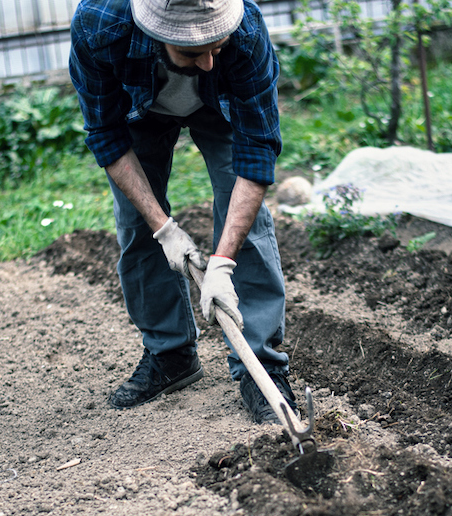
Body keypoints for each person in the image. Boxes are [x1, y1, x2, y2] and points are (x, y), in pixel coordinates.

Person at [68, 0, 296, 423]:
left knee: (246, 220)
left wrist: (222, 264)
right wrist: (165, 229)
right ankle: (170, 357)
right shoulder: (100, 25)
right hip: (138, 108)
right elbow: (105, 134)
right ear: (157, 33)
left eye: (218, 46)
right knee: (138, 227)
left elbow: (257, 152)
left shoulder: (245, 33)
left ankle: (260, 365)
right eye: (193, 53)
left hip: (221, 106)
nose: (209, 62)